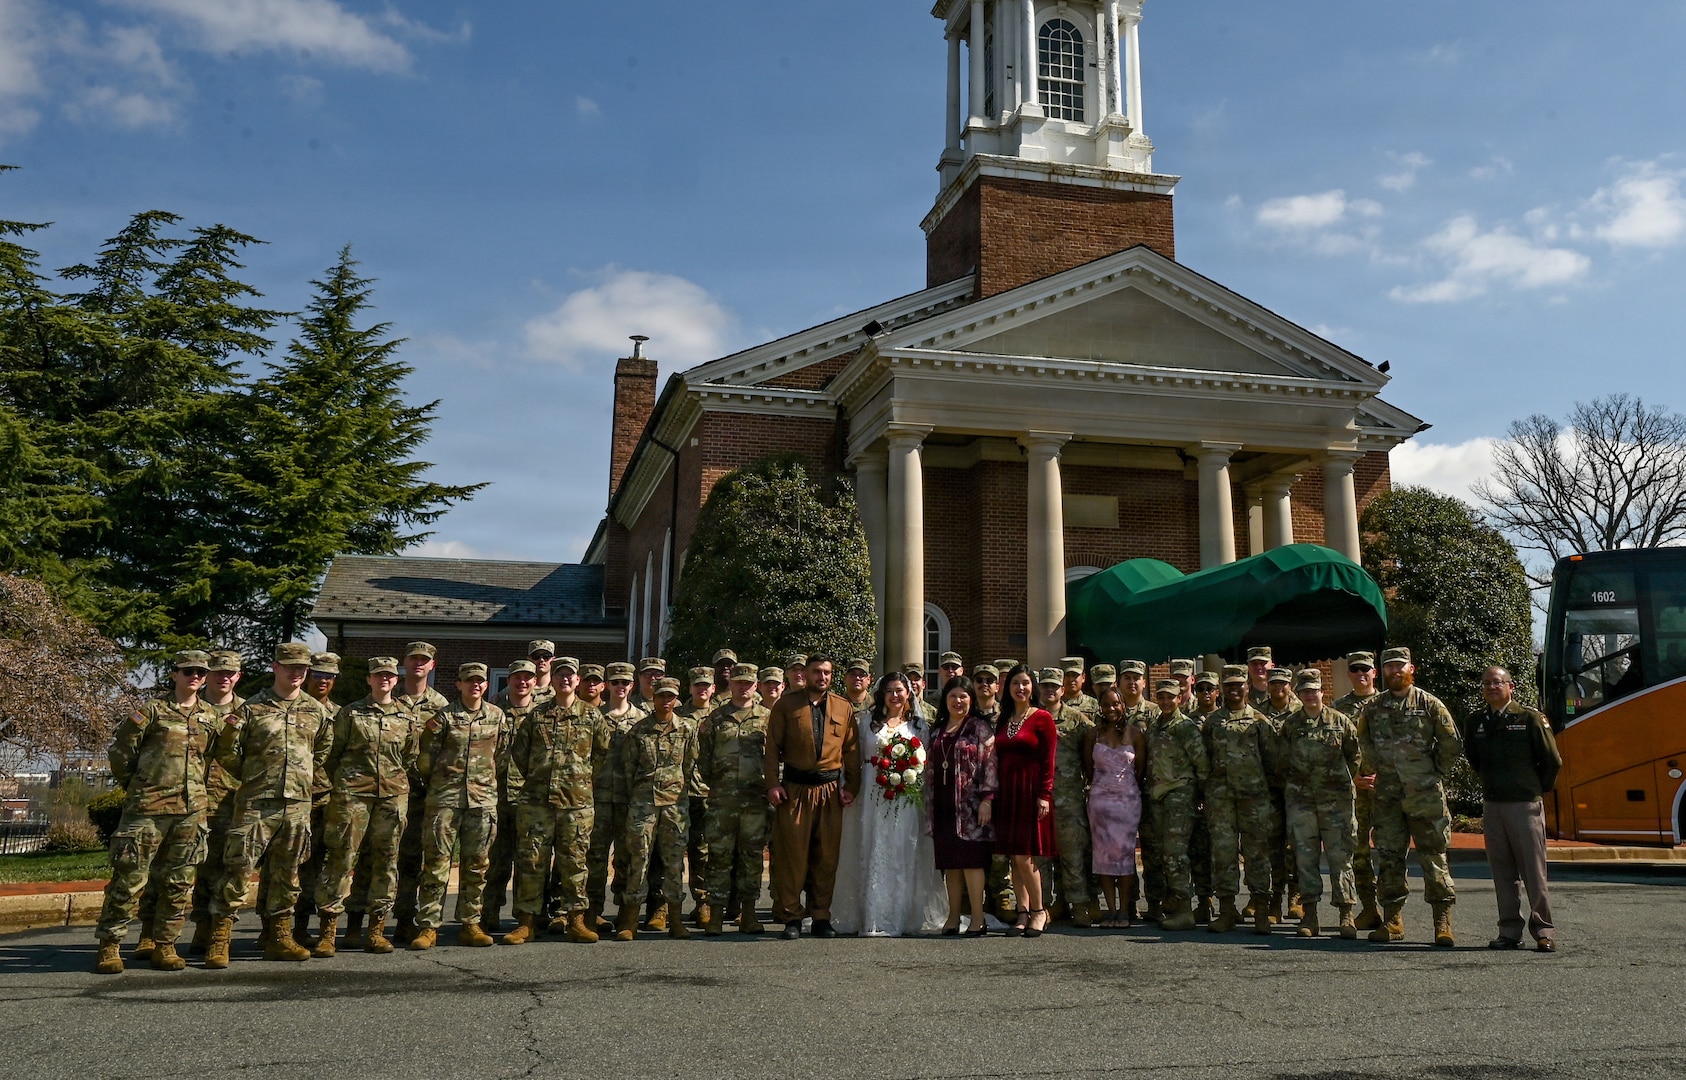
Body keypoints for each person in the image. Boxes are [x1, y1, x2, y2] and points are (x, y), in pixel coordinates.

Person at [206, 642, 333, 968]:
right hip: (256, 804)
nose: (297, 673)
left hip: (296, 805)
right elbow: (227, 752)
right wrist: (254, 775)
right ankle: (220, 939)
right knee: (237, 870)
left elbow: (322, 751)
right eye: (290, 666)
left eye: (302, 668)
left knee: (287, 874)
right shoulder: (250, 709)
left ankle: (279, 936)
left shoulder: (315, 711)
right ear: (275, 667)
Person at [93, 650, 219, 974]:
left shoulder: (210, 717)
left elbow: (216, 759)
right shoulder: (152, 711)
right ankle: (110, 945)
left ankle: (166, 945)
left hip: (191, 811)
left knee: (180, 881)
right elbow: (122, 751)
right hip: (148, 808)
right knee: (130, 879)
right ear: (175, 675)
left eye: (201, 673)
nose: (195, 677)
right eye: (188, 671)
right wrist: (139, 784)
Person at [312, 656, 418, 956]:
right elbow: (333, 753)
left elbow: (409, 756)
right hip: (352, 797)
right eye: (378, 675)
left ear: (395, 681)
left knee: (386, 862)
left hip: (392, 797)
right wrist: (349, 782)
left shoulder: (406, 717)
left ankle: (376, 931)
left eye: (389, 675)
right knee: (341, 860)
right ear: (369, 680)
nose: (383, 679)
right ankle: (328, 932)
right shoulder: (350, 713)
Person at [1357, 646, 1463, 947]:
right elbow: (1362, 738)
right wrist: (1372, 767)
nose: (1394, 671)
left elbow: (1451, 742)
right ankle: (1392, 921)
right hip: (1388, 797)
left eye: (1399, 666)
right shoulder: (1374, 707)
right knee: (1389, 857)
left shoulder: (1429, 704)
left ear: (1411, 669)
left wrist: (1433, 773)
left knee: (1434, 856)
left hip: (1425, 796)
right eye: (1388, 667)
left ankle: (1442, 923)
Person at [502, 656, 609, 945]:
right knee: (531, 862)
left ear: (577, 681)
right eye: (559, 674)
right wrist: (540, 778)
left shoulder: (592, 717)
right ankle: (526, 922)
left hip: (576, 803)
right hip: (537, 802)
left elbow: (601, 755)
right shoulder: (536, 716)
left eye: (570, 675)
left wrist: (581, 779)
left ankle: (576, 920)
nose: (564, 679)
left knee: (575, 863)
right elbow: (521, 755)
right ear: (554, 678)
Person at [832, 670, 946, 936]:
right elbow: (851, 756)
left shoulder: (918, 727)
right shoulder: (867, 722)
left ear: (909, 694)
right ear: (882, 693)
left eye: (900, 691)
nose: (895, 695)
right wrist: (847, 786)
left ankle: (901, 914)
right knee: (871, 846)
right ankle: (870, 915)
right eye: (890, 690)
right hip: (871, 792)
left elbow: (925, 763)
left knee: (902, 850)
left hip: (905, 796)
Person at [1463, 666, 1561, 952]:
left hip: (1524, 805)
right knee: (1502, 872)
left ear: (1511, 686)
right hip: (1494, 806)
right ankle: (1508, 930)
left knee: (1533, 871)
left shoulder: (1530, 719)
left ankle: (1543, 930)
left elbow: (1552, 761)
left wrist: (1532, 789)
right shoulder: (1476, 721)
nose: (1492, 687)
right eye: (1486, 684)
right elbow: (1475, 760)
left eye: (1497, 682)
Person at [762, 653, 861, 939]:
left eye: (827, 672)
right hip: (795, 791)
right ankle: (792, 917)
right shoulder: (786, 705)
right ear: (805, 674)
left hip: (830, 792)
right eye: (817, 671)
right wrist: (773, 784)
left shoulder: (843, 708)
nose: (823, 677)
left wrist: (851, 787)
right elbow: (772, 749)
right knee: (793, 856)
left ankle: (820, 916)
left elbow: (852, 752)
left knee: (826, 857)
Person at [410, 663, 506, 950]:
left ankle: (470, 923)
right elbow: (425, 758)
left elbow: (501, 755)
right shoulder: (443, 717)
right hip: (445, 800)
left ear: (486, 686)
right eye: (469, 681)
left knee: (477, 865)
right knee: (437, 864)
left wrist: (484, 784)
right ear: (459, 684)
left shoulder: (496, 716)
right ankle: (428, 926)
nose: (475, 685)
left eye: (480, 681)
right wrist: (441, 784)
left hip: (481, 801)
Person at [617, 678, 703, 940]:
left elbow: (689, 765)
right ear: (653, 698)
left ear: (676, 699)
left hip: (675, 806)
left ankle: (676, 920)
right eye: (661, 696)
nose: (666, 700)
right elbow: (629, 769)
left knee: (674, 863)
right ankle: (630, 920)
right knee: (638, 860)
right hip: (643, 805)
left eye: (671, 696)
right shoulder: (638, 731)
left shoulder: (687, 729)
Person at [1280, 669, 1361, 939]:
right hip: (1302, 802)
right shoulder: (1291, 726)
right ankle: (1310, 914)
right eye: (1305, 691)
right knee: (1305, 859)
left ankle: (1346, 914)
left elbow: (1354, 757)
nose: (1310, 695)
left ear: (1322, 692)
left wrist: (1338, 784)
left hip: (1336, 803)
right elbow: (1282, 761)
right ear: (1299, 694)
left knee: (1341, 858)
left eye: (1314, 690)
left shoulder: (1340, 722)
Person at [1203, 666, 1280, 935]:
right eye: (1229, 685)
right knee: (1223, 854)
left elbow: (1272, 763)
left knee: (1257, 855)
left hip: (1254, 800)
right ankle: (1227, 910)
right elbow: (1207, 758)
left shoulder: (1260, 722)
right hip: (1221, 799)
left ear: (1248, 687)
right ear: (1222, 688)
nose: (1234, 690)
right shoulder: (1212, 722)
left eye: (1239, 685)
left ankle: (1260, 909)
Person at [698, 664, 774, 935]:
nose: (743, 687)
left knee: (752, 858)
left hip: (755, 802)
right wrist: (721, 786)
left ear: (756, 686)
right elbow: (703, 760)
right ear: (730, 686)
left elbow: (776, 759)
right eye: (738, 682)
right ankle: (716, 915)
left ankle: (749, 913)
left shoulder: (768, 718)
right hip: (723, 802)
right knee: (719, 858)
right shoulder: (716, 718)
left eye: (748, 683)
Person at [927, 675, 997, 936]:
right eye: (953, 696)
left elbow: (991, 765)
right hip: (943, 805)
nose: (958, 701)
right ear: (945, 700)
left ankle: (978, 919)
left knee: (971, 862)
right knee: (951, 864)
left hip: (971, 804)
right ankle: (953, 917)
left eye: (964, 697)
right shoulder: (937, 731)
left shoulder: (979, 728)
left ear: (972, 700)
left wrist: (987, 800)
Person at [186, 649, 245, 956]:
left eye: (230, 673)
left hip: (229, 800)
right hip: (189, 798)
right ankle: (187, 926)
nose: (224, 678)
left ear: (238, 676)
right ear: (208, 674)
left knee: (224, 866)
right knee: (184, 866)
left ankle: (214, 931)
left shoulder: (249, 712)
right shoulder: (188, 707)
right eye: (219, 672)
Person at [390, 641, 449, 944]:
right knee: (398, 857)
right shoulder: (390, 700)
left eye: (424, 660)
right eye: (413, 658)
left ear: (432, 666)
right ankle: (394, 918)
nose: (418, 664)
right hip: (393, 791)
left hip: (429, 792)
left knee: (430, 857)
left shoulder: (442, 707)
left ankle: (416, 919)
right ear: (404, 662)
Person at [993, 664, 1057, 937]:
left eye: (1026, 683)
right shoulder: (1004, 718)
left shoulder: (1042, 718)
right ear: (1008, 688)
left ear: (1033, 687)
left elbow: (1048, 760)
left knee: (1024, 856)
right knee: (1013, 856)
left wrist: (1045, 794)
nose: (1021, 688)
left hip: (1031, 793)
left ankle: (1040, 911)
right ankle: (1023, 911)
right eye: (1015, 683)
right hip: (1007, 794)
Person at [585, 663, 648, 932]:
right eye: (615, 682)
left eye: (625, 683)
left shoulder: (642, 719)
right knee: (594, 857)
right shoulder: (593, 716)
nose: (620, 687)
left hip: (629, 798)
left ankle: (624, 912)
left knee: (626, 857)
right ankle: (592, 912)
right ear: (607, 685)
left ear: (631, 686)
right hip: (597, 797)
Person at [1143, 680, 1209, 931]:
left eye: (1171, 697)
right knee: (1163, 852)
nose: (1166, 701)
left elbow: (1201, 764)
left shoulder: (1185, 727)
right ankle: (1171, 901)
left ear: (1179, 699)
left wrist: (1200, 797)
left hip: (1180, 795)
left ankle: (1184, 910)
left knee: (1175, 854)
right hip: (1158, 796)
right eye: (1161, 697)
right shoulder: (1155, 725)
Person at [484, 659, 542, 935]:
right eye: (517, 677)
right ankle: (489, 913)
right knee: (496, 859)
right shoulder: (494, 712)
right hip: (497, 793)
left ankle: (524, 917)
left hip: (530, 797)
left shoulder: (541, 714)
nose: (522, 682)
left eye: (528, 678)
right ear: (509, 680)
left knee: (527, 860)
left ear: (534, 682)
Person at [1083, 685, 1146, 928]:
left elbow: (1140, 770)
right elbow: (1088, 769)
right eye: (1107, 704)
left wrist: (1126, 790)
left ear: (1123, 705)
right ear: (1100, 707)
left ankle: (1124, 910)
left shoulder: (1135, 735)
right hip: (1100, 802)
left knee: (1125, 856)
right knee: (1103, 857)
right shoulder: (1093, 735)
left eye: (1116, 704)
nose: (1111, 709)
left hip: (1127, 802)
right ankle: (1110, 909)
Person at [1332, 651, 1382, 930]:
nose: (1361, 673)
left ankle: (1392, 913)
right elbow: (1333, 752)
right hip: (1355, 793)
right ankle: (1368, 908)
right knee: (1358, 853)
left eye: (1366, 669)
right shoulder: (1339, 708)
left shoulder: (1387, 704)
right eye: (1355, 669)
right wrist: (1353, 779)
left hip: (1385, 791)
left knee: (1390, 853)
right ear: (1349, 673)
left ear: (1374, 672)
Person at [1044, 667, 1097, 928]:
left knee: (1072, 855)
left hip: (1069, 800)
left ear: (1063, 690)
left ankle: (1079, 905)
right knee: (1041, 858)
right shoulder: (1033, 718)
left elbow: (1095, 746)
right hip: (1041, 800)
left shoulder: (1076, 720)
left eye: (1054, 686)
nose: (1049, 690)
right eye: (1045, 686)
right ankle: (1042, 906)